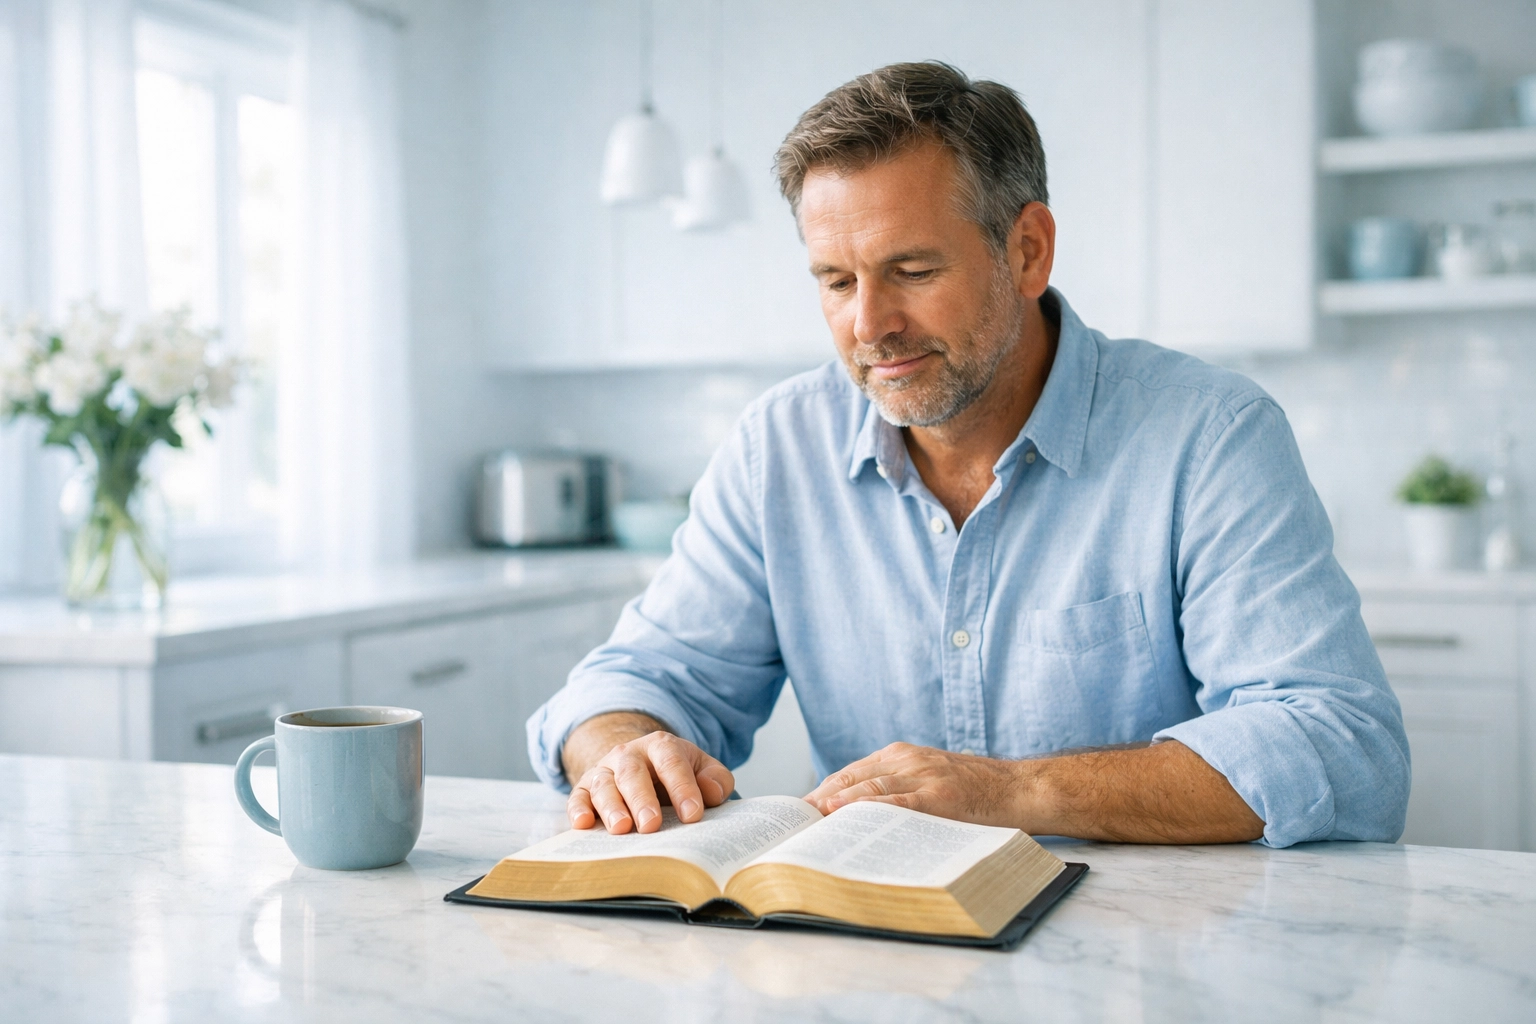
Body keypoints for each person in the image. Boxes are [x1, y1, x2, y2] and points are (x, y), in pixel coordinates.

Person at [527, 61, 1409, 848]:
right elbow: (633, 681)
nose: (869, 325)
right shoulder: (777, 448)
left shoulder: (1208, 436)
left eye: (912, 270)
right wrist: (621, 747)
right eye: (836, 282)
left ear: (1027, 250)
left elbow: (1340, 742)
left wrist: (1009, 790)